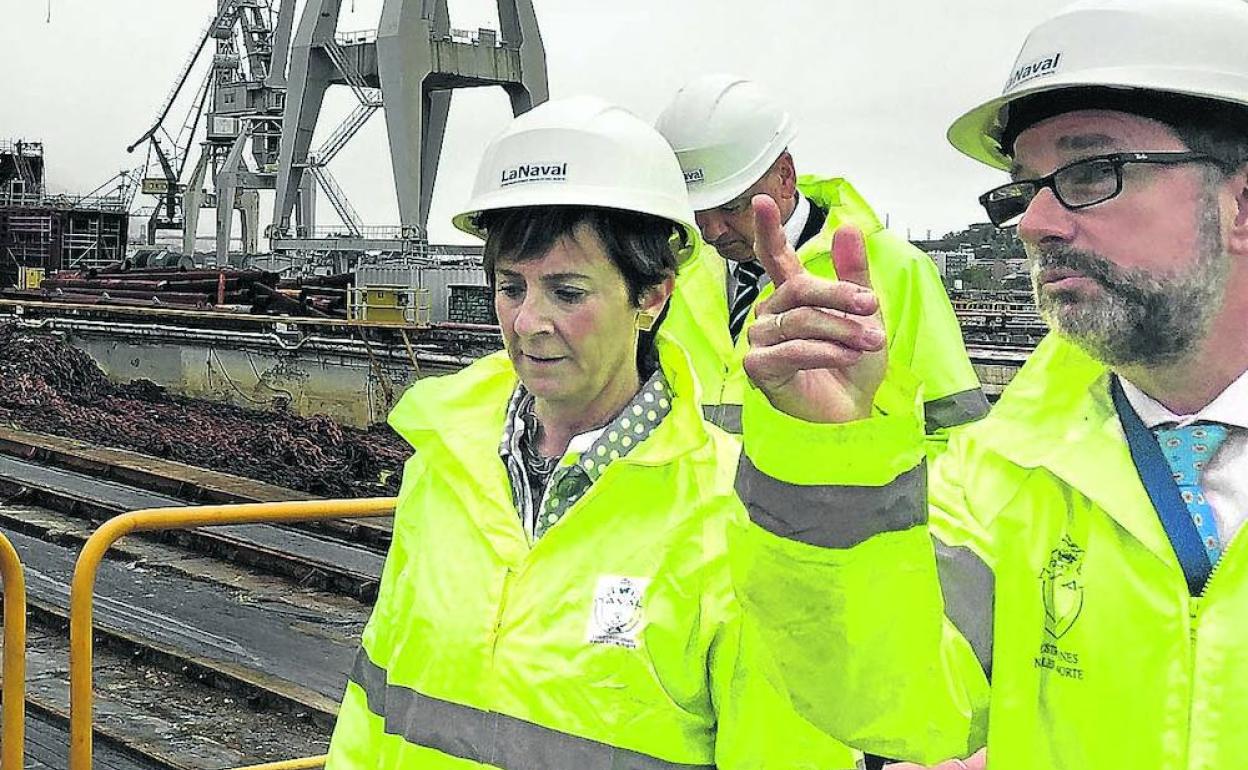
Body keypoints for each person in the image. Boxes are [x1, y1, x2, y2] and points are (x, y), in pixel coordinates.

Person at [728, 1, 1248, 768]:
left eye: (1091, 171)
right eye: (1024, 189)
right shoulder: (1008, 468)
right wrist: (828, 452)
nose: (1035, 223)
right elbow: (899, 702)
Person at [325, 96, 858, 769]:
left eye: (566, 292)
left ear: (652, 296)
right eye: (510, 287)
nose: (527, 323)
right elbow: (372, 709)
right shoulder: (442, 465)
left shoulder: (735, 514)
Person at [654, 74, 985, 446]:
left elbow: (953, 439)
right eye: (697, 209)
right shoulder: (680, 275)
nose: (712, 230)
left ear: (785, 177)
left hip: (836, 501)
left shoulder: (898, 271)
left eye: (732, 206)